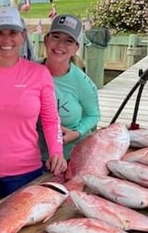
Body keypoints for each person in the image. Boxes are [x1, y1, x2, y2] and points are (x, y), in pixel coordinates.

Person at [0, 6, 67, 208]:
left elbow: (51, 119)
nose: (6, 40)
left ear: (23, 36)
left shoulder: (39, 73)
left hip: (26, 169)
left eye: (13, 33)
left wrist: (56, 151)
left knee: (21, 230)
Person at [39, 14, 101, 161]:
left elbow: (94, 115)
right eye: (56, 37)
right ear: (46, 40)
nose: (60, 45)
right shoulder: (29, 73)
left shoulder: (83, 82)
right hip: (33, 158)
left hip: (70, 156)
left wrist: (77, 132)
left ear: (76, 48)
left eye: (69, 41)